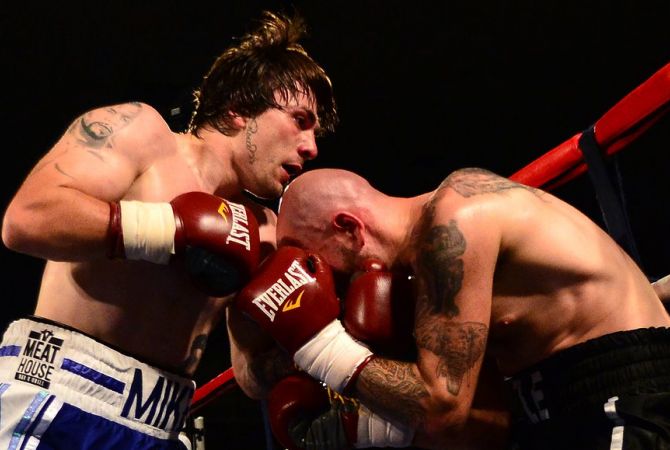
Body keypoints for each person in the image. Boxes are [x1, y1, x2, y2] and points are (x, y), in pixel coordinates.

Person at [0, 10, 337, 450]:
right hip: (60, 401)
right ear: (239, 108)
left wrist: (308, 345)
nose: (311, 147)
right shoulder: (144, 136)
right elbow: (26, 219)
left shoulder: (266, 232)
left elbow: (249, 377)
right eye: (300, 120)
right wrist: (170, 230)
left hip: (161, 426)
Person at [235, 167, 670, 450]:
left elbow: (442, 408)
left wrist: (318, 344)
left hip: (624, 396)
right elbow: (470, 422)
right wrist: (359, 427)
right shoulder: (418, 282)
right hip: (549, 411)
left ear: (348, 228)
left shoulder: (452, 222)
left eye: (314, 261)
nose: (323, 282)